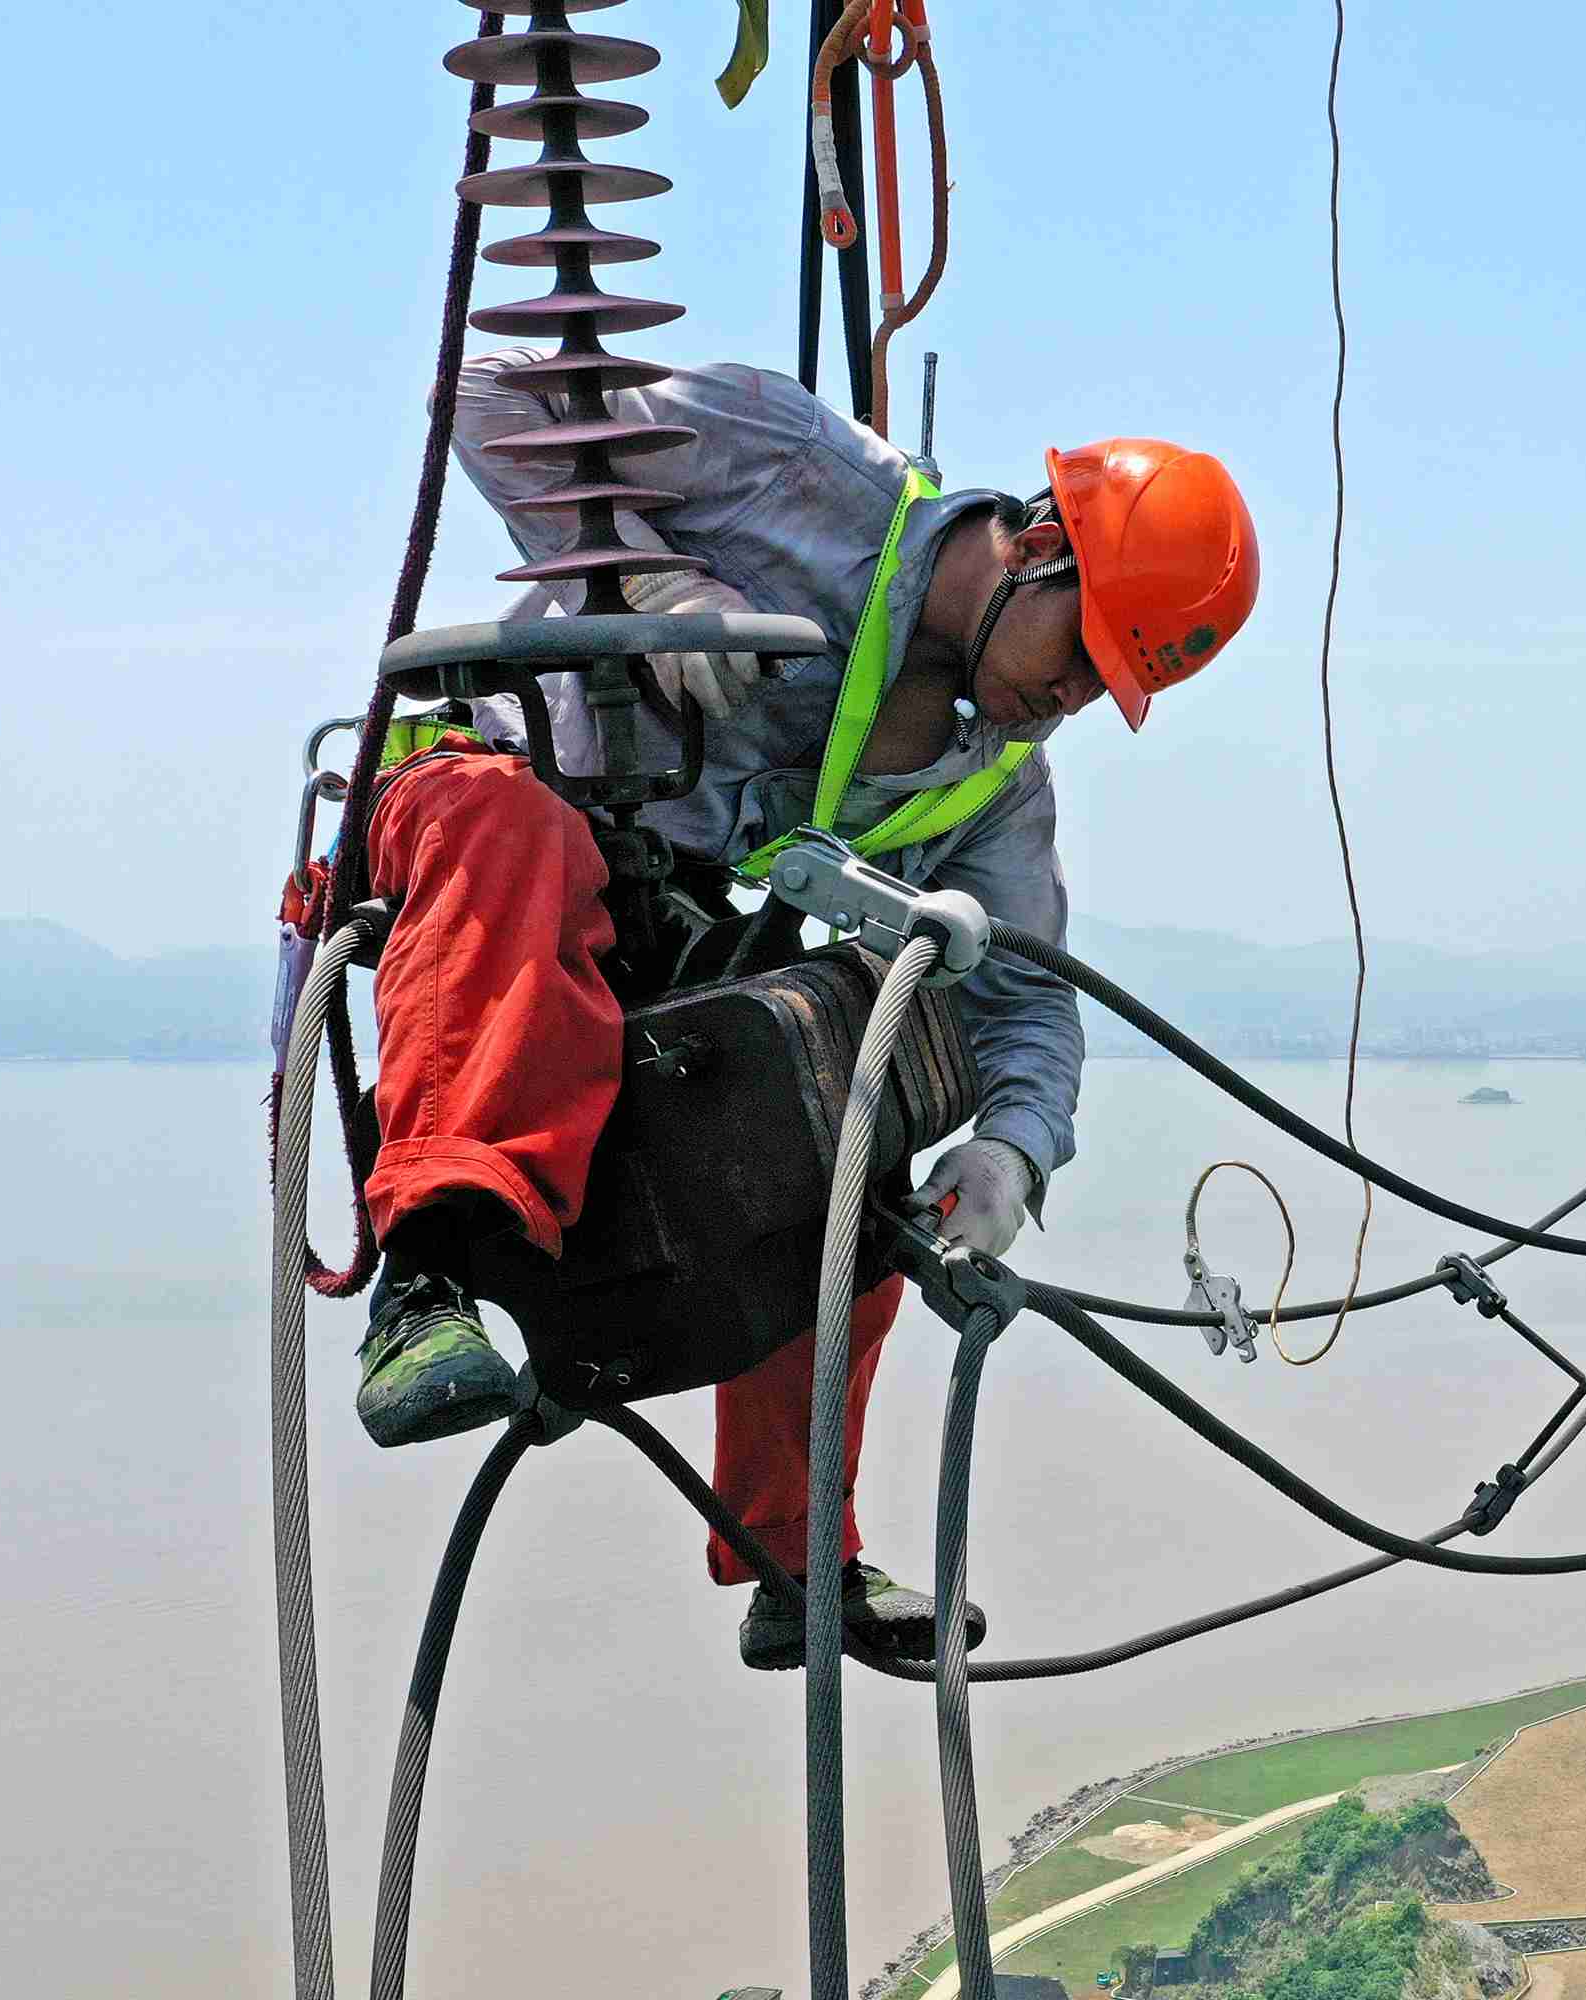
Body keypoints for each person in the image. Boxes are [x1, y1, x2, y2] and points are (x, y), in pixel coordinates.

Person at [348, 345, 1259, 1669]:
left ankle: (794, 1550)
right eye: (1077, 655)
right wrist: (636, 565)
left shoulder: (991, 785)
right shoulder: (799, 468)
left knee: (846, 1095)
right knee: (514, 834)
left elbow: (1028, 1007)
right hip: (479, 791)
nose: (1058, 707)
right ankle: (423, 1286)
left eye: (1094, 695)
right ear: (1040, 547)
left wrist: (1010, 1150)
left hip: (648, 916)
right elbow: (483, 397)